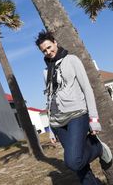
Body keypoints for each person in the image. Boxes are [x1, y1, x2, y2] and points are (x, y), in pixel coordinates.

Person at [35, 30, 112, 185]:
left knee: (73, 161)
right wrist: (50, 128)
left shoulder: (72, 60)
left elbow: (86, 88)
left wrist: (94, 118)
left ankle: (97, 147)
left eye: (49, 47)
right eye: (44, 50)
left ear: (55, 42)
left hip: (77, 114)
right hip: (58, 122)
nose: (48, 52)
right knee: (80, 169)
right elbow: (49, 98)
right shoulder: (45, 72)